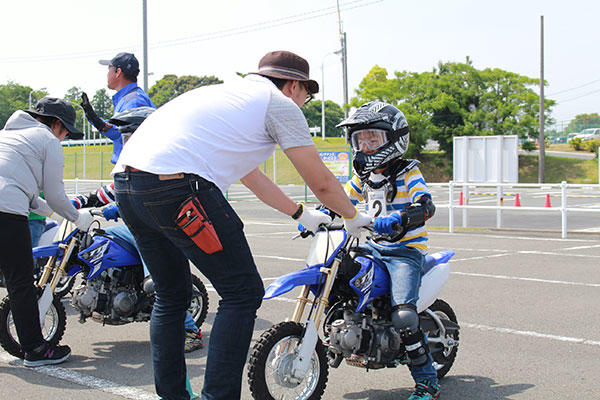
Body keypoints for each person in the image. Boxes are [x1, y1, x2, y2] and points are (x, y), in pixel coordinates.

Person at [111, 50, 371, 400]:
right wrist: (354, 218)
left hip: (128, 186)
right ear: (293, 85)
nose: (304, 103)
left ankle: (171, 395)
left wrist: (300, 214)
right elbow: (320, 180)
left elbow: (252, 176)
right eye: (306, 95)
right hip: (177, 184)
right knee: (242, 291)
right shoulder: (279, 104)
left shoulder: (228, 97)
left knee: (172, 294)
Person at [337, 101, 439, 400]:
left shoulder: (409, 172)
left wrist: (403, 217)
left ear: (394, 139)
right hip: (372, 246)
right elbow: (343, 199)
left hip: (405, 251)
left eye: (373, 139)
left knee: (405, 316)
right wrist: (319, 214)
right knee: (341, 279)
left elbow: (425, 204)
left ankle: (427, 382)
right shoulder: (364, 177)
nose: (366, 146)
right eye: (360, 139)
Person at [0, 97, 94, 367]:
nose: (64, 139)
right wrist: (78, 217)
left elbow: (32, 196)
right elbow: (54, 194)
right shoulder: (48, 140)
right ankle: (35, 348)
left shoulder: (8, 136)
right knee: (21, 282)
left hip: (8, 200)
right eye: (65, 132)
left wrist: (58, 213)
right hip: (6, 211)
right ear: (56, 124)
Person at [71, 189, 204, 353]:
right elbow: (105, 193)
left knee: (158, 283)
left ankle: (191, 332)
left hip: (162, 227)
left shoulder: (154, 172)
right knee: (100, 238)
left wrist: (122, 208)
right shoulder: (127, 173)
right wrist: (77, 202)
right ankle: (106, 290)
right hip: (139, 223)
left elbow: (153, 200)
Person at [82, 52, 155, 164]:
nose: (107, 74)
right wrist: (94, 119)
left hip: (132, 173)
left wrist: (95, 119)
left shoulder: (133, 101)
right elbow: (119, 131)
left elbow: (124, 136)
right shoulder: (130, 98)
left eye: (109, 69)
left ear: (118, 72)